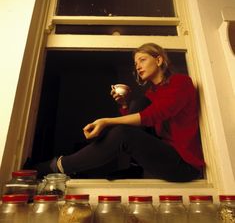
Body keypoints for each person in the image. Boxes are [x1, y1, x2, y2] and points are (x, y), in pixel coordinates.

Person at [26, 43, 205, 181]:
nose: (138, 66)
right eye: (136, 63)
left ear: (158, 60)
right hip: (165, 153)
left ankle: (58, 166)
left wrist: (106, 121)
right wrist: (125, 105)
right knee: (139, 103)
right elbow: (141, 125)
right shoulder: (152, 93)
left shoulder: (180, 82)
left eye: (142, 60)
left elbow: (153, 116)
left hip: (184, 164)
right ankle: (135, 166)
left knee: (123, 131)